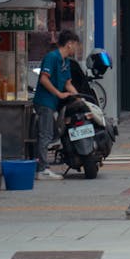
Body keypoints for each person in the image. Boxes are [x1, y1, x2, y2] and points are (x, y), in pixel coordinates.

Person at [33, 29, 80, 181]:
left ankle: (42, 165)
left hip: (53, 104)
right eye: (76, 45)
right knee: (45, 134)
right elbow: (44, 79)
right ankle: (42, 169)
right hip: (44, 101)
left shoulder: (65, 61)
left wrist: (80, 99)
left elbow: (68, 84)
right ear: (69, 44)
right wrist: (58, 94)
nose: (77, 49)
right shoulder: (51, 57)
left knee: (53, 134)